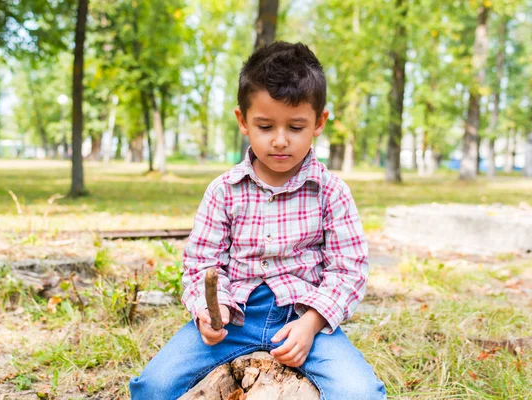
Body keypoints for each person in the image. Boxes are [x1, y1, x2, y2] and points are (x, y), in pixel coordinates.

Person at [129, 41, 386, 400]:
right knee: (153, 385)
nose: (280, 141)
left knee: (361, 392)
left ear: (319, 122)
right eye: (265, 126)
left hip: (302, 318)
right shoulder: (224, 191)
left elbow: (349, 270)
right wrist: (208, 312)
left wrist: (311, 324)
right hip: (234, 317)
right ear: (243, 121)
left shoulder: (331, 191)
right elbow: (202, 263)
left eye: (295, 127)